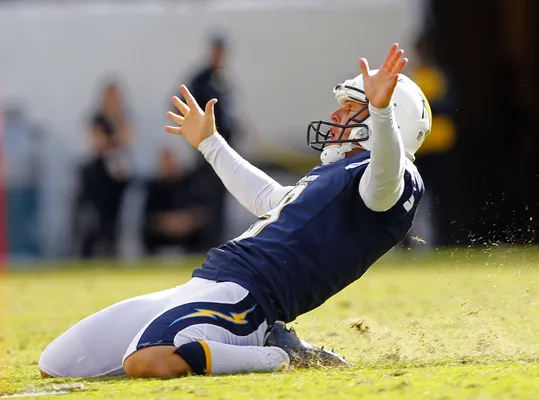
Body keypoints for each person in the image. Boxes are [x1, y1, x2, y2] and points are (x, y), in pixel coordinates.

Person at [39, 44, 430, 379]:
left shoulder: (390, 180)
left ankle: (278, 354)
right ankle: (263, 344)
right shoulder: (338, 175)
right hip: (210, 279)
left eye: (350, 108)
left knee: (149, 359)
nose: (336, 117)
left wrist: (380, 115)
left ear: (391, 113)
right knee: (58, 361)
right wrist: (211, 144)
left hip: (249, 299)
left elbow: (386, 177)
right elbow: (267, 198)